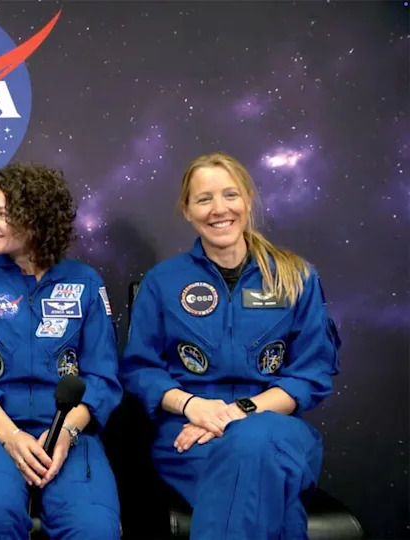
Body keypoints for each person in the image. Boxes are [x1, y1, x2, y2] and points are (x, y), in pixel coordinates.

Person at [120, 152, 341, 539]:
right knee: (270, 494)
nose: (219, 209)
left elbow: (311, 373)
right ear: (187, 210)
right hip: (191, 434)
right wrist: (193, 405)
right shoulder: (162, 282)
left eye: (230, 194)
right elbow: (141, 369)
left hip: (277, 428)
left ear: (248, 200)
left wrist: (241, 411)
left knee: (253, 443)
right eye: (204, 199)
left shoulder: (295, 277)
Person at [0, 163, 122, 539]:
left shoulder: (85, 282)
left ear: (36, 219)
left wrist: (66, 432)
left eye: (1, 214)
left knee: (93, 527)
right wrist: (10, 436)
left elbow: (102, 377)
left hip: (68, 429)